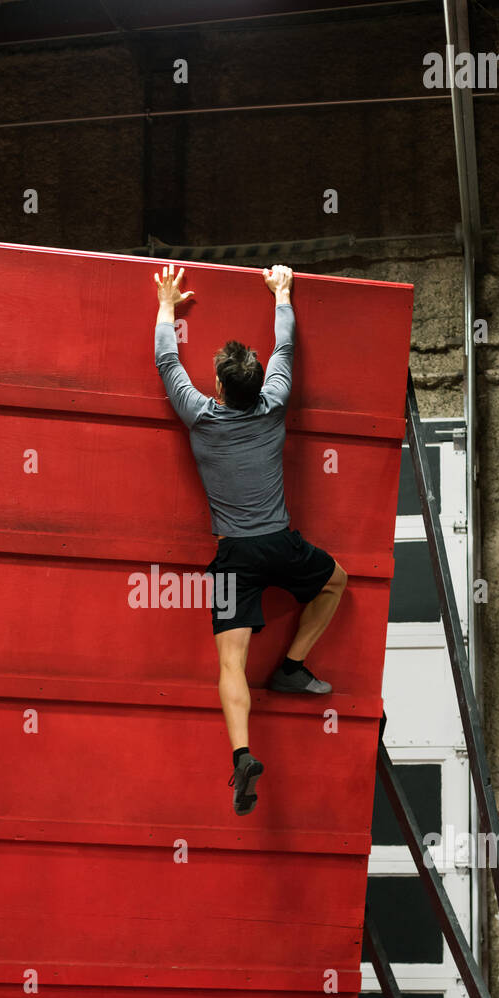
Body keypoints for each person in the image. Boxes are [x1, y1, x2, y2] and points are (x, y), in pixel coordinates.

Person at [154, 262, 348, 815]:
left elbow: (166, 360)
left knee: (231, 664)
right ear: (258, 383)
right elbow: (286, 346)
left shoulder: (199, 415)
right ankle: (292, 665)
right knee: (335, 583)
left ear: (216, 385)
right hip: (279, 544)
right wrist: (282, 293)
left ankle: (241, 754)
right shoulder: (275, 402)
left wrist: (167, 303)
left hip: (233, 555)